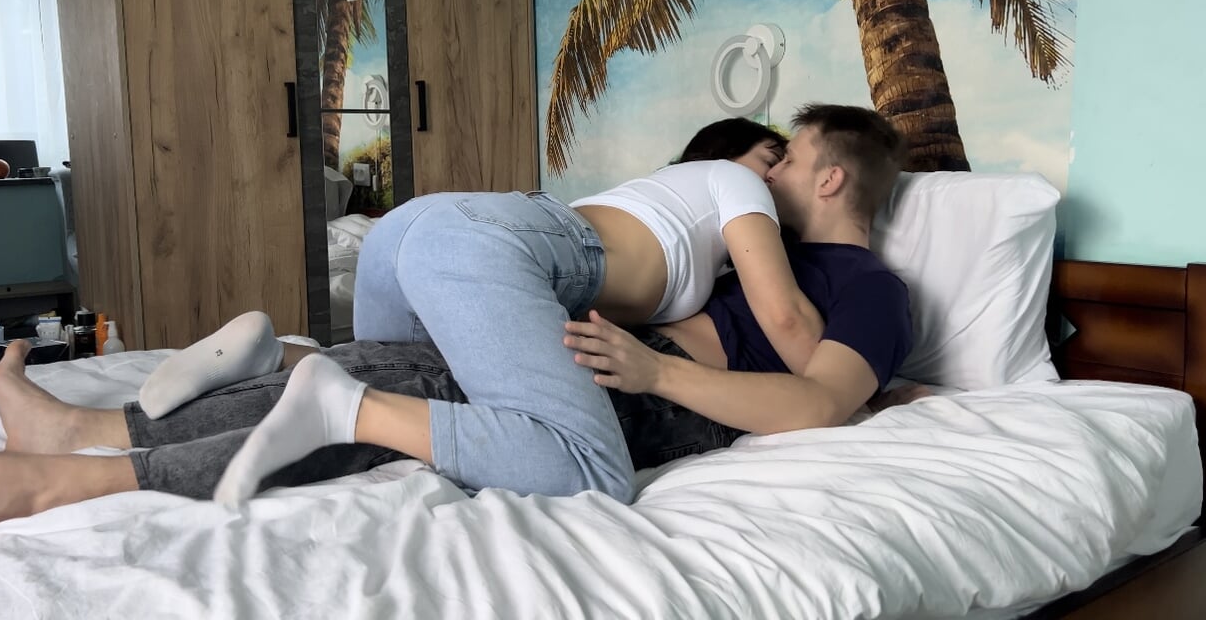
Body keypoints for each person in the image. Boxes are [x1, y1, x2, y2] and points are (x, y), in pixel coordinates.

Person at [0, 103, 916, 532]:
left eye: (787, 158)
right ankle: (76, 442)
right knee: (383, 376)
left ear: (831, 179)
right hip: (590, 336)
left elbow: (817, 401)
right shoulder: (749, 239)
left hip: (649, 385)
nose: (766, 171)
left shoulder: (868, 286)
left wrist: (662, 373)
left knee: (387, 393)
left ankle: (60, 472)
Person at [209, 113, 827, 508]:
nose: (777, 176)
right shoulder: (734, 181)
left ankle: (276, 354)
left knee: (409, 374)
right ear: (730, 153)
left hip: (410, 231)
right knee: (594, 471)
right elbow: (786, 317)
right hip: (485, 245)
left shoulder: (657, 206)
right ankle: (345, 407)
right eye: (774, 157)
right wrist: (845, 397)